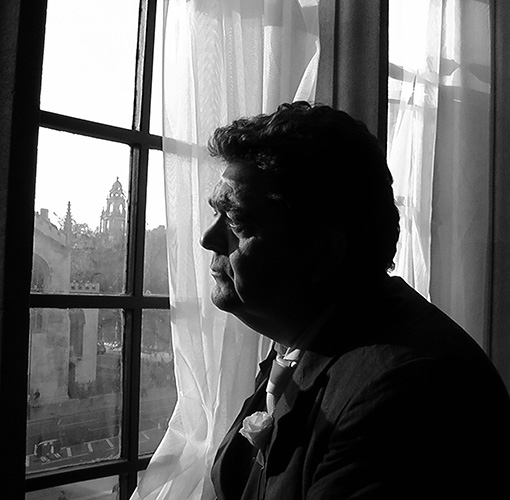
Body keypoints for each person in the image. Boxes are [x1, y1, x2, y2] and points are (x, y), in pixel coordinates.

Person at [200, 102, 510, 499]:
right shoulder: (306, 342)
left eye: (237, 221)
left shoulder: (407, 393)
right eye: (216, 215)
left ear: (323, 253)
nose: (208, 239)